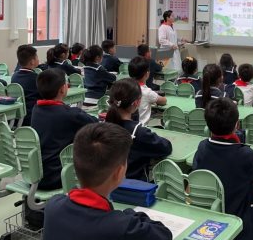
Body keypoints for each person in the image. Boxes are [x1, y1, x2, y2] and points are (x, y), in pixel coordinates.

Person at [43, 122, 172, 240]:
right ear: (119, 172)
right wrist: (130, 213)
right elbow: (164, 234)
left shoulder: (53, 206)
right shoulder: (123, 227)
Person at [193, 98, 253, 240]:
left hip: (208, 217)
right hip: (239, 220)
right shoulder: (244, 154)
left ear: (208, 124)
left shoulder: (202, 147)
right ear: (237, 124)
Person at [31, 69, 97, 190]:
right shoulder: (70, 114)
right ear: (62, 89)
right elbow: (95, 124)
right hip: (59, 175)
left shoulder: (36, 109)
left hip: (36, 175)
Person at [105, 79, 172, 181]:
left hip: (108, 182)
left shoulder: (103, 127)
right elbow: (166, 147)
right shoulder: (139, 133)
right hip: (135, 186)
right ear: (137, 102)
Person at [128, 57, 166, 125]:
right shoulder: (147, 92)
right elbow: (163, 101)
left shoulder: (124, 87)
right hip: (141, 128)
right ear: (147, 74)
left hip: (126, 125)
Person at [11, 45, 41, 126]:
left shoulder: (14, 76)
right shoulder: (36, 78)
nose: (38, 59)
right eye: (37, 57)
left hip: (17, 117)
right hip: (32, 116)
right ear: (32, 61)